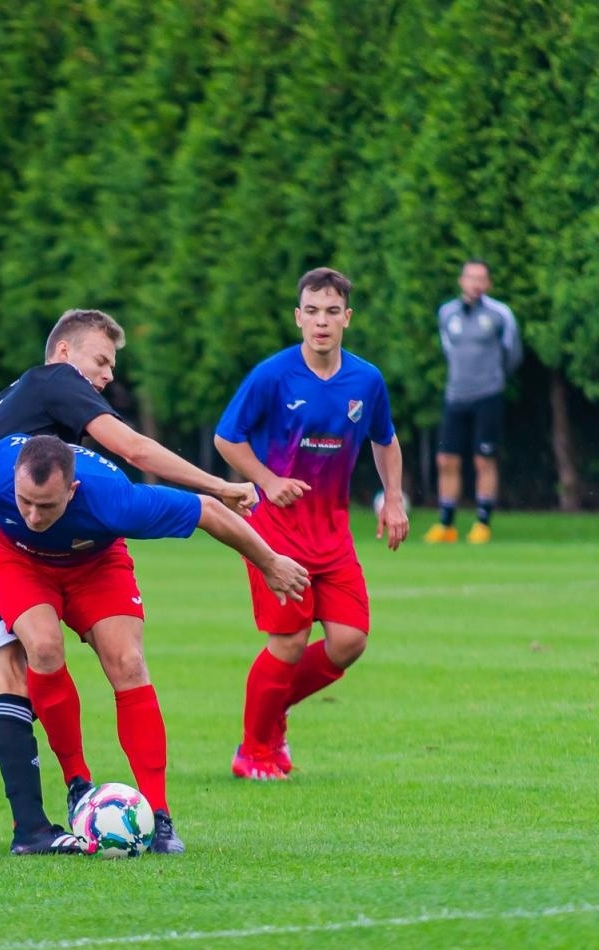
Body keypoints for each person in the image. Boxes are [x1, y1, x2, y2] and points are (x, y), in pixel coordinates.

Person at [0, 309, 259, 847]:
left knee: (36, 682)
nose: (107, 376)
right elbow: (134, 449)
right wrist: (220, 485)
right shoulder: (58, 382)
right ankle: (32, 830)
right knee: (20, 680)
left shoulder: (38, 399)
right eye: (101, 361)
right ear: (63, 354)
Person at [0, 434, 307, 854]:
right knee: (44, 648)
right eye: (24, 500)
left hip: (96, 564)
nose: (32, 514)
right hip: (15, 560)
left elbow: (209, 510)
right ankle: (77, 784)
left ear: (72, 490)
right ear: (13, 478)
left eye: (47, 505)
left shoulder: (115, 500)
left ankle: (159, 815)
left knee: (128, 662)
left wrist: (269, 562)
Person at [214, 267, 409, 781]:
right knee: (290, 643)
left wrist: (393, 500)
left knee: (350, 642)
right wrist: (266, 479)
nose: (321, 322)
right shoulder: (272, 376)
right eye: (312, 311)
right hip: (275, 534)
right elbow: (226, 439)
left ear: (347, 318)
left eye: (332, 312)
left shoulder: (366, 380)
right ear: (298, 317)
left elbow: (385, 440)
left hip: (333, 536)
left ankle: (271, 709)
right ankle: (254, 750)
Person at [424, 260, 522, 545]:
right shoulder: (447, 313)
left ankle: (482, 521)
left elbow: (512, 354)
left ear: (488, 284)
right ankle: (446, 524)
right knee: (446, 460)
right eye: (471, 278)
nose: (476, 284)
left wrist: (491, 379)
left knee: (484, 459)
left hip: (487, 395)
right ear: (461, 281)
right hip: (455, 396)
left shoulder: (500, 314)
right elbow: (448, 349)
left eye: (481, 279)